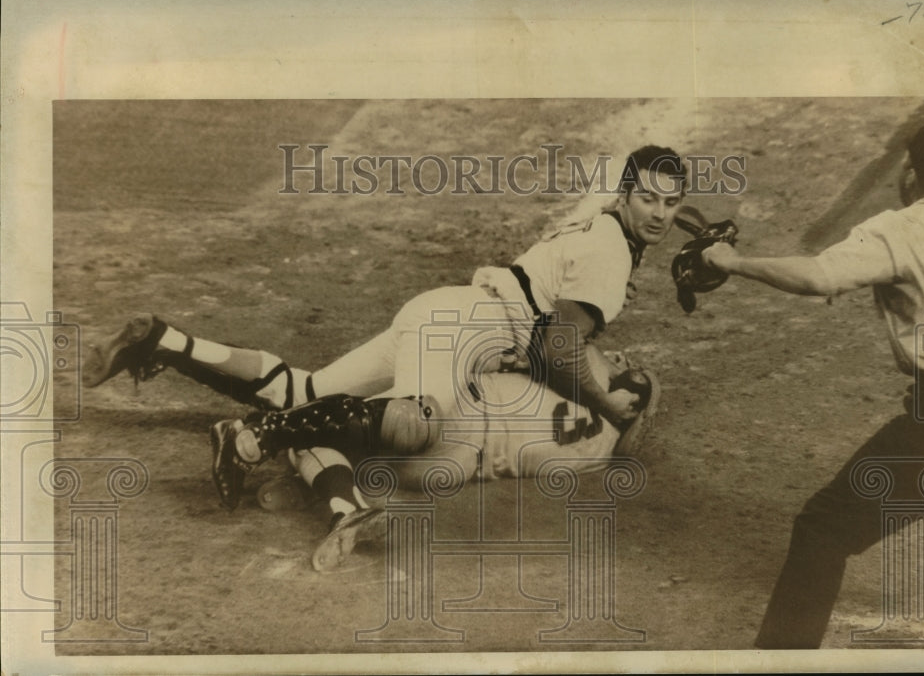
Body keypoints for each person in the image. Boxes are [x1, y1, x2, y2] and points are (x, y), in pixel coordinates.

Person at [83, 144, 682, 569]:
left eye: (672, 204)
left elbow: (567, 319)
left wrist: (690, 226)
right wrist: (613, 405)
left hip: (446, 308)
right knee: (412, 423)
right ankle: (252, 437)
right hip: (474, 329)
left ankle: (162, 341)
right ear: (626, 195)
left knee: (302, 389)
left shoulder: (601, 223)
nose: (661, 214)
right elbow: (558, 345)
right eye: (650, 200)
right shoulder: (613, 257)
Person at [701, 121, 924, 648]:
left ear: (910, 174)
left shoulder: (901, 229)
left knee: (825, 529)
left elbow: (818, 278)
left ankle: (781, 661)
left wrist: (733, 262)